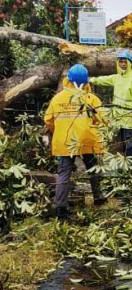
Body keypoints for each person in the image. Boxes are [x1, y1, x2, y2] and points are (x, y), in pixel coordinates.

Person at [44, 64, 108, 220]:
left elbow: (48, 120)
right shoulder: (91, 99)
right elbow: (103, 120)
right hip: (87, 140)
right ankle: (98, 197)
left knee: (64, 174)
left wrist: (57, 131)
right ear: (86, 82)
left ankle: (61, 208)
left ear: (69, 80)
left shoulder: (57, 98)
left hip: (66, 141)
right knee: (92, 168)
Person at [89, 49, 132, 168]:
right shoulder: (117, 77)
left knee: (131, 144)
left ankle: (131, 167)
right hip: (118, 117)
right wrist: (90, 80)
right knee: (121, 143)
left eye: (125, 62)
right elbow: (103, 80)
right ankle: (121, 165)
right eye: (121, 62)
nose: (123, 64)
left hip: (129, 118)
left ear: (129, 63)